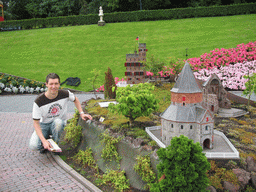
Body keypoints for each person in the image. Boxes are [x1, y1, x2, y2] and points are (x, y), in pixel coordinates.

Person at [29, 73, 92, 153]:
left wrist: (82, 113)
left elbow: (75, 99)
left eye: (56, 84)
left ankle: (56, 146)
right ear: (46, 84)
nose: (53, 86)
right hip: (44, 125)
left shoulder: (64, 94)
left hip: (58, 123)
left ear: (59, 84)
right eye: (51, 84)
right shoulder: (39, 101)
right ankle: (46, 140)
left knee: (58, 122)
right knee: (34, 145)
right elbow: (36, 123)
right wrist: (43, 140)